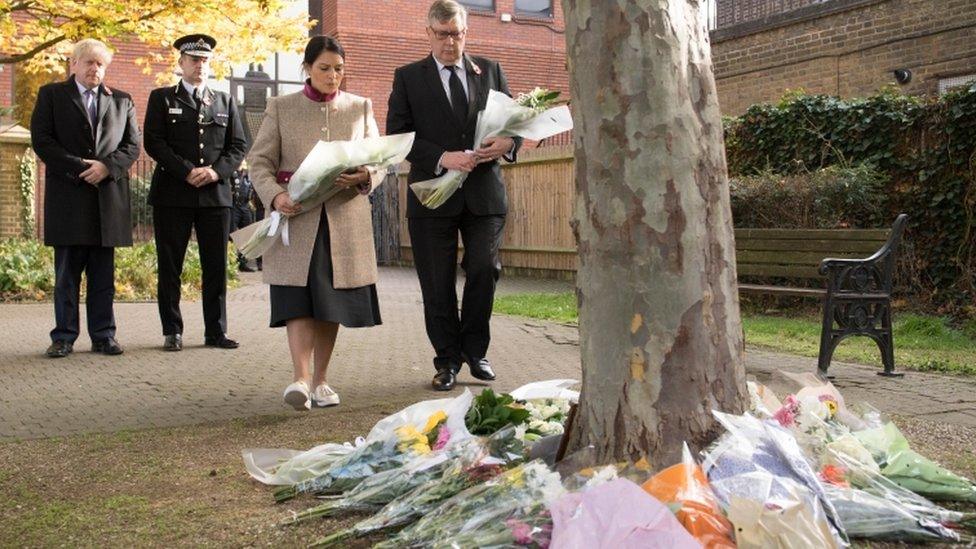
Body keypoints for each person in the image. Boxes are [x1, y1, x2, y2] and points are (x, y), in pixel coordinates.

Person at [387, 0, 521, 391]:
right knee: (437, 282)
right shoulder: (408, 77)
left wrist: (509, 143)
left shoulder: (490, 70)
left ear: (466, 32)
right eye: (443, 34)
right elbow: (398, 137)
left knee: (484, 268)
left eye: (457, 33)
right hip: (433, 198)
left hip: (484, 195)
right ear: (427, 33)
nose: (451, 42)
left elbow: (517, 123)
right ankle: (447, 360)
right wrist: (443, 157)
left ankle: (475, 351)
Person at [248, 36, 383, 411]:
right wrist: (275, 196)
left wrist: (365, 175)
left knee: (331, 302)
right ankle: (300, 379)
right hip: (296, 218)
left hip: (342, 220)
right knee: (297, 301)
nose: (333, 75)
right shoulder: (280, 107)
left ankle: (322, 381)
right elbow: (259, 162)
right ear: (306, 69)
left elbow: (380, 160)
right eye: (324, 68)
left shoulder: (361, 107)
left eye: (339, 68)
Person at [30, 39, 141, 358]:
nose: (96, 69)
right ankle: (64, 336)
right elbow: (43, 140)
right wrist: (80, 168)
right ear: (74, 64)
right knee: (66, 275)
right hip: (69, 197)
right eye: (90, 62)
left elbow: (132, 146)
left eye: (101, 64)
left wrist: (107, 167)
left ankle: (104, 335)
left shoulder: (122, 100)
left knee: (103, 276)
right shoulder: (51, 95)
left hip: (107, 201)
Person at [143, 34, 248, 352]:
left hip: (214, 196)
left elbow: (238, 146)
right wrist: (187, 170)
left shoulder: (224, 100)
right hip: (173, 194)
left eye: (205, 60)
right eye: (194, 59)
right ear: (181, 63)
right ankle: (172, 331)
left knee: (215, 265)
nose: (200, 65)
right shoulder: (162, 98)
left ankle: (215, 331)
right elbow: (154, 142)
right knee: (170, 264)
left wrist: (216, 171)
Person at [230, 161, 258, 272]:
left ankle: (243, 262)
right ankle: (231, 263)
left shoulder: (248, 175)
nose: (243, 163)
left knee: (246, 235)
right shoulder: (232, 173)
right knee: (231, 235)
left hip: (245, 206)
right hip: (234, 206)